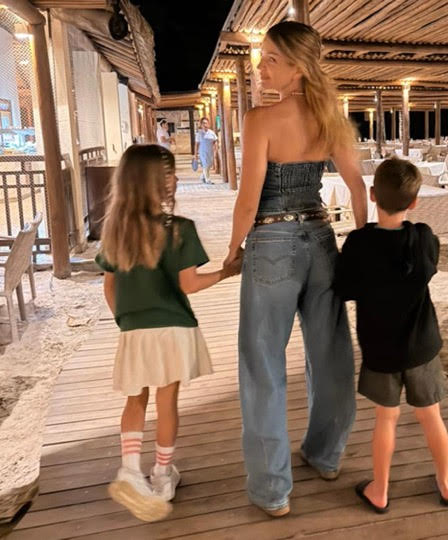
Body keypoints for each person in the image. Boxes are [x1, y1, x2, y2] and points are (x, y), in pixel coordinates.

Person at [222, 21, 367, 517]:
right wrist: (361, 243)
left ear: (299, 67)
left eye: (272, 59)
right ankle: (326, 455)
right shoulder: (330, 118)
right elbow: (358, 187)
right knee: (331, 354)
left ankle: (272, 489)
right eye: (262, 57)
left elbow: (248, 200)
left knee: (262, 362)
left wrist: (233, 250)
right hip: (322, 241)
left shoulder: (260, 120)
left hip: (271, 242)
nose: (261, 67)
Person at [96, 144, 242, 522]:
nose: (174, 179)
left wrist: (126, 322)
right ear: (152, 182)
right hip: (174, 328)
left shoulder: (114, 230)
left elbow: (110, 287)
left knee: (135, 399)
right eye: (168, 174)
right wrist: (227, 272)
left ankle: (130, 469)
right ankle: (162, 474)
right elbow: (189, 284)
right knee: (167, 401)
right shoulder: (178, 230)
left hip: (133, 329)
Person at [335, 158, 448, 514]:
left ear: (373, 195)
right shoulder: (423, 238)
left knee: (386, 419)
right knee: (431, 416)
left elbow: (344, 289)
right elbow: (430, 268)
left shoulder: (359, 243)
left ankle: (381, 490)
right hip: (421, 346)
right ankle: (446, 482)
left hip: (380, 350)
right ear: (414, 201)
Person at [195, 117, 218, 184]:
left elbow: (215, 141)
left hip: (210, 152)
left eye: (206, 123)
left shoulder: (212, 133)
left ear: (208, 124)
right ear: (201, 125)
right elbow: (196, 144)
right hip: (202, 152)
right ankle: (208, 179)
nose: (205, 125)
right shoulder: (199, 133)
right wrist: (195, 155)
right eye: (203, 123)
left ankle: (202, 176)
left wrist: (216, 149)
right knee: (205, 165)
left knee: (209, 165)